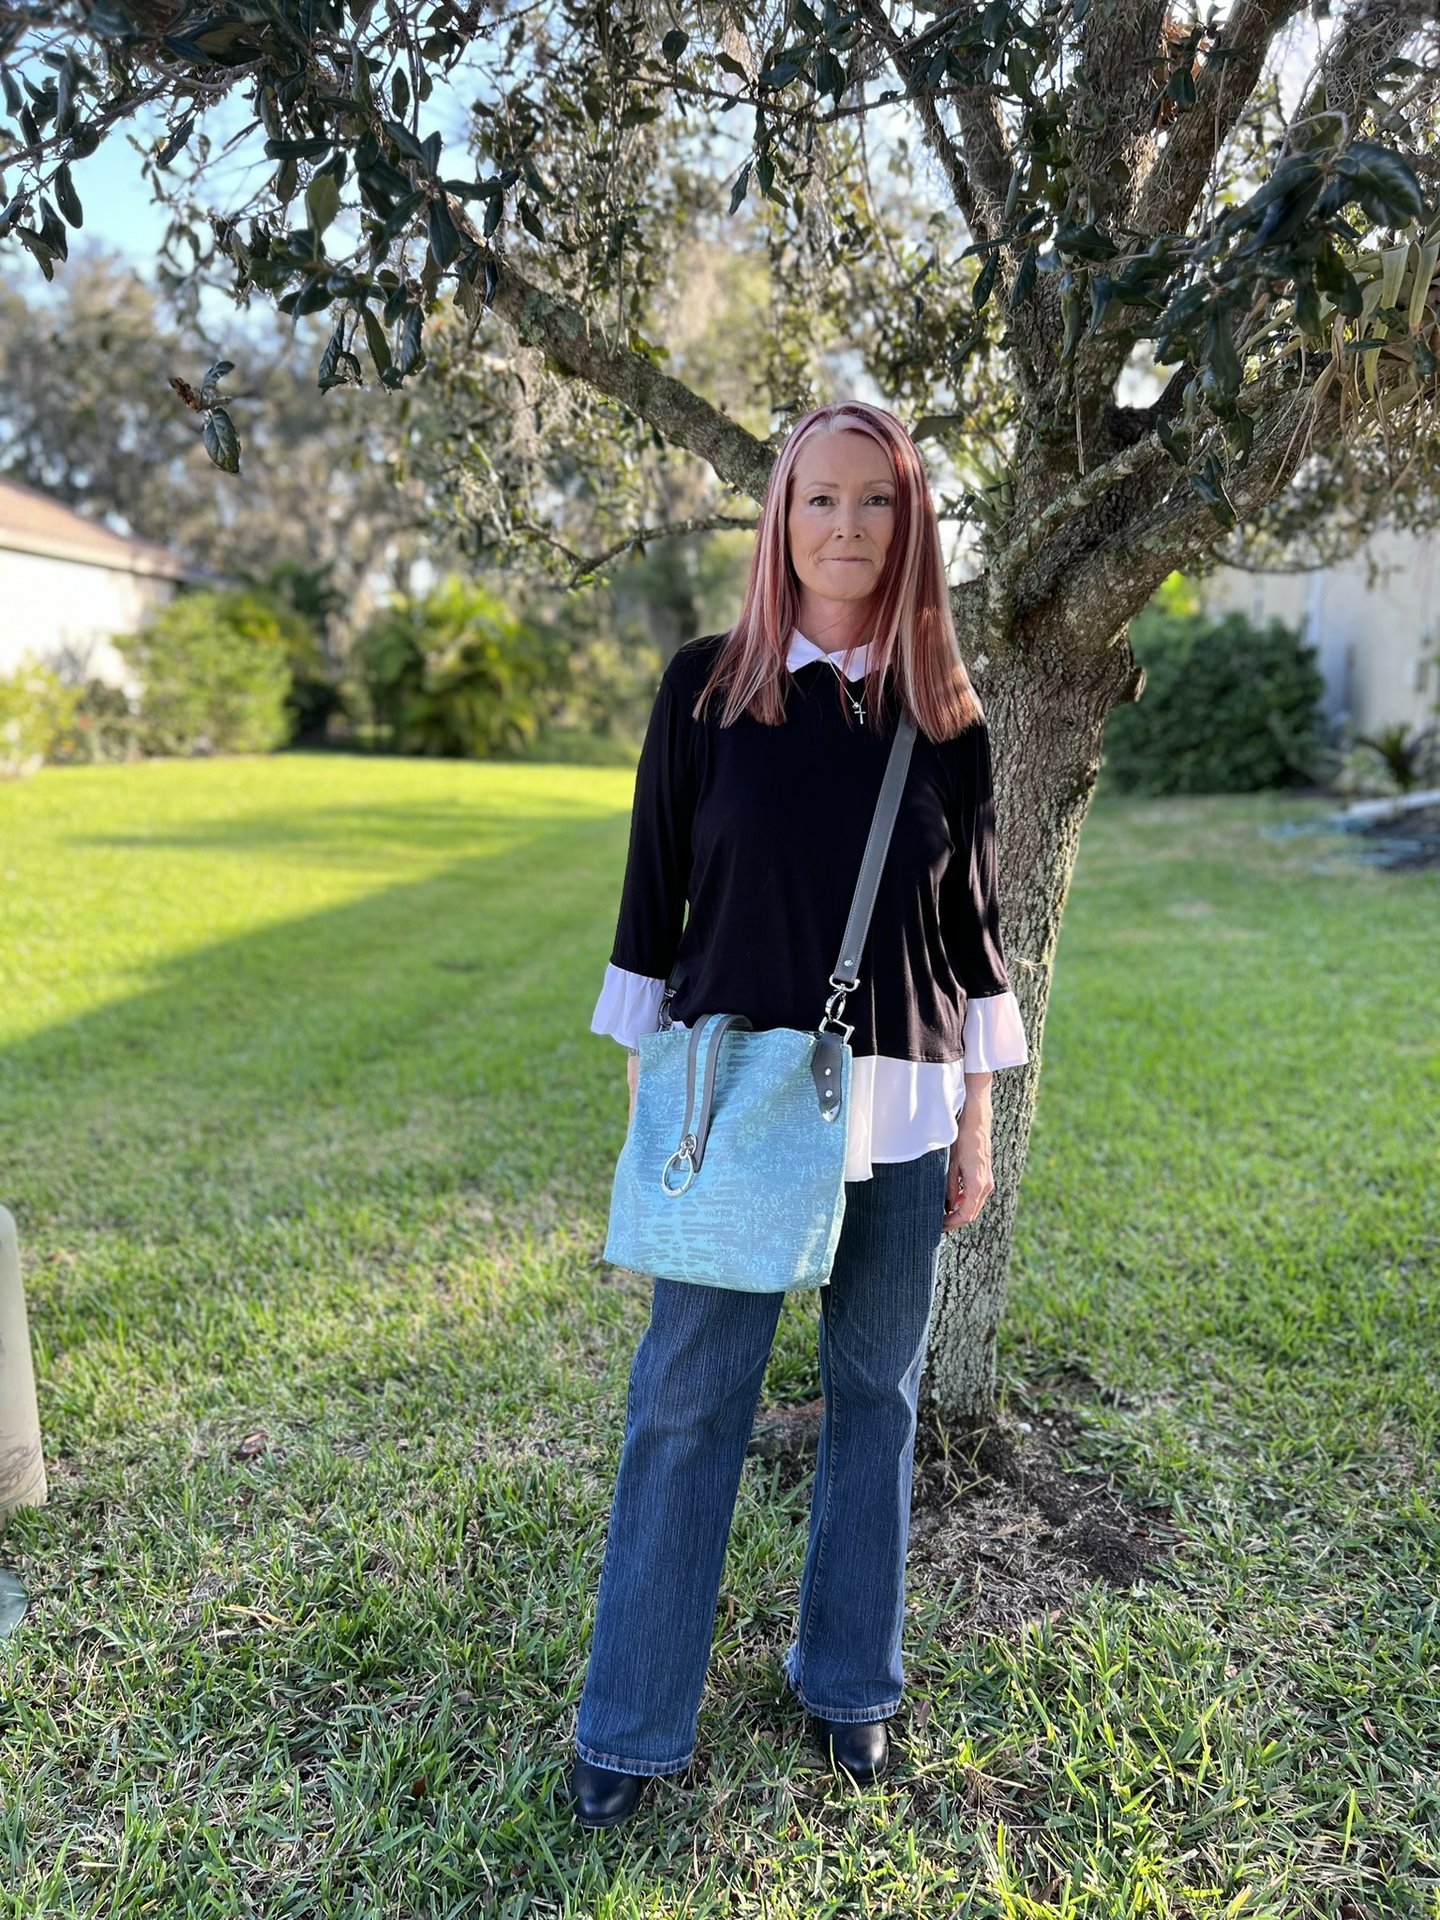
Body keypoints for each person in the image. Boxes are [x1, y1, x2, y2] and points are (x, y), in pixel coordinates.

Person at [571, 400, 1030, 1829]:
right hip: (739, 1105)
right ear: (780, 517)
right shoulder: (707, 689)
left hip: (899, 1108)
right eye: (820, 499)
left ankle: (849, 1683)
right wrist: (651, 1101)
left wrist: (975, 1120)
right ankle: (632, 1720)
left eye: (875, 502)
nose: (846, 527)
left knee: (876, 1398)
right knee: (687, 1398)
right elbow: (651, 905)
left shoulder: (945, 717)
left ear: (911, 526)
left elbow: (976, 937)